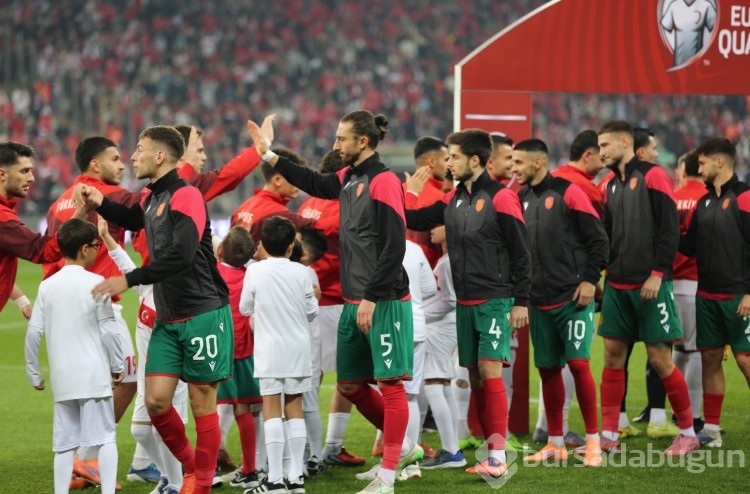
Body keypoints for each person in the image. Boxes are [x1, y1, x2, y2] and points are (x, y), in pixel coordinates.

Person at [248, 110, 419, 494]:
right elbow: (313, 180)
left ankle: (388, 475)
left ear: (363, 141)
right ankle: (405, 447)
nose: (335, 144)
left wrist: (372, 297)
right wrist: (269, 155)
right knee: (351, 385)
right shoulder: (349, 177)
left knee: (391, 384)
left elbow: (394, 246)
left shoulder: (384, 181)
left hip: (384, 300)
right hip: (353, 298)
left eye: (342, 138)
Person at [74, 125, 234, 493]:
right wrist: (100, 202)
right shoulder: (153, 197)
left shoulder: (187, 195)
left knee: (201, 402)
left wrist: (129, 279)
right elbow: (134, 218)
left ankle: (200, 485)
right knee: (156, 402)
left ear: (160, 156)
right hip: (169, 316)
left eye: (139, 149)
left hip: (203, 312)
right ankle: (192, 468)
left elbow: (182, 254)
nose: (133, 157)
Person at [404, 128, 532, 479]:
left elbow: (522, 253)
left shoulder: (501, 198)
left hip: (495, 299)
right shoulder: (454, 198)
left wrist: (520, 301)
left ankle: (498, 458)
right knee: (476, 377)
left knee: (490, 372)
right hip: (465, 301)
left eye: (454, 157)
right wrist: (408, 194)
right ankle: (491, 451)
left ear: (475, 160)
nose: (448, 163)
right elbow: (415, 219)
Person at [596, 120, 698, 456]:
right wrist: (598, 275)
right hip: (617, 284)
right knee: (612, 357)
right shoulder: (611, 184)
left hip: (650, 284)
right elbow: (606, 236)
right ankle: (609, 434)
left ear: (625, 143)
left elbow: (670, 230)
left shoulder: (654, 176)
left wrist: (658, 273)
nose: (601, 153)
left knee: (660, 358)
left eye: (605, 146)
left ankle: (688, 433)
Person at [511, 138, 608, 467]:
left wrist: (589, 280)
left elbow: (599, 240)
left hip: (572, 298)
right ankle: (555, 442)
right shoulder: (521, 199)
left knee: (578, 364)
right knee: (548, 369)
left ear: (538, 162)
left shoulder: (569, 192)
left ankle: (593, 441)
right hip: (539, 301)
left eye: (519, 162)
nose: (514, 169)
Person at [25, 218, 124, 494]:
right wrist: (117, 365)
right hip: (93, 375)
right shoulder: (97, 282)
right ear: (84, 249)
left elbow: (33, 332)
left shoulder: (47, 286)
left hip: (62, 378)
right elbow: (109, 330)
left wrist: (34, 372)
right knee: (105, 437)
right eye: (95, 245)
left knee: (64, 444)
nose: (97, 250)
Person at [98, 217, 184, 494]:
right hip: (149, 379)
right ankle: (169, 476)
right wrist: (107, 237)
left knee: (164, 431)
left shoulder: (181, 295)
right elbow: (128, 269)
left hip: (173, 379)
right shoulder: (149, 286)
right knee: (141, 431)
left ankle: (177, 483)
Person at [239, 216, 319, 494]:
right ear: (290, 246)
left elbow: (245, 307)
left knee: (271, 409)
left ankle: (274, 479)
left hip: (269, 349)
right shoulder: (302, 272)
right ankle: (295, 477)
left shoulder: (255, 271)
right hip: (298, 348)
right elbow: (312, 311)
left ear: (262, 243)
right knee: (295, 408)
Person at [679, 138, 750, 447]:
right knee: (709, 359)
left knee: (745, 360)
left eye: (703, 163)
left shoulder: (745, 197)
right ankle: (711, 430)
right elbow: (688, 246)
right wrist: (661, 228)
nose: (699, 169)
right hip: (706, 296)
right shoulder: (704, 203)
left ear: (720, 162)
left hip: (739, 297)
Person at [298, 151, 367, 468]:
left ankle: (311, 448)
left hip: (312, 298)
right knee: (349, 377)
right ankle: (324, 448)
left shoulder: (308, 203)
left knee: (313, 375)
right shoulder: (344, 205)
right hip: (336, 300)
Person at [1, 141, 82, 313]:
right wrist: (81, 212)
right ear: (2, 174)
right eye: (24, 171)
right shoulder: (3, 218)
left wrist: (22, 300)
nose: (31, 178)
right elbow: (45, 251)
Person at [214, 226, 264, 489]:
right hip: (245, 350)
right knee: (243, 409)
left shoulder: (212, 272)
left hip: (218, 350)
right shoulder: (251, 275)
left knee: (207, 408)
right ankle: (250, 469)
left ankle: (210, 469)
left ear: (220, 250)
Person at [419, 226, 467, 469]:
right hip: (446, 325)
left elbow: (450, 301)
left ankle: (452, 451)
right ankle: (452, 448)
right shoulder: (450, 259)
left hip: (441, 326)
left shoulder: (449, 262)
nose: (431, 229)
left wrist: (418, 315)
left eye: (437, 224)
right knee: (442, 384)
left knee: (433, 384)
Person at [671, 151, 706, 432]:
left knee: (678, 347)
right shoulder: (707, 198)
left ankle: (676, 412)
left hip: (669, 281)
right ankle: (692, 416)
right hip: (696, 281)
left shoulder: (672, 196)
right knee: (695, 349)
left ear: (684, 170)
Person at [230, 147, 316, 244]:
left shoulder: (239, 210)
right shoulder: (280, 214)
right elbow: (321, 227)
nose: (299, 184)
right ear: (277, 180)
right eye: (295, 178)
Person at [403, 136, 449, 268]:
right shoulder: (440, 198)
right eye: (446, 159)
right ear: (432, 161)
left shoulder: (399, 190)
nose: (449, 165)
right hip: (429, 271)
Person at [551, 129, 605, 218]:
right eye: (602, 159)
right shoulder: (587, 188)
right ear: (588, 156)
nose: (603, 165)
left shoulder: (551, 176)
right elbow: (601, 222)